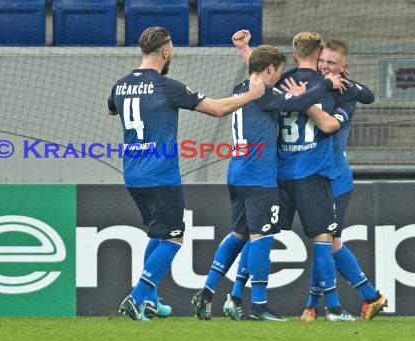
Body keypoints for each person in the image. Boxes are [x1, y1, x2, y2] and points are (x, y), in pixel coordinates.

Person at [108, 26, 266, 322]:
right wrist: (252, 94)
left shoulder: (120, 85)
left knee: (157, 233)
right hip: (161, 173)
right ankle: (137, 296)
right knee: (174, 238)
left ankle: (151, 302)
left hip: (132, 173)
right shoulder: (166, 86)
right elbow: (218, 109)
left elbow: (112, 110)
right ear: (166, 52)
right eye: (172, 50)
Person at [191, 45, 346, 321]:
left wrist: (245, 50)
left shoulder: (242, 86)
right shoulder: (263, 90)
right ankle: (259, 306)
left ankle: (206, 292)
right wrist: (326, 83)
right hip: (258, 176)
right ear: (271, 70)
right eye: (277, 71)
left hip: (236, 172)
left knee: (238, 234)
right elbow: (297, 103)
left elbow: (261, 68)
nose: (279, 78)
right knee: (261, 238)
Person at [291, 40, 388, 322]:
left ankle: (350, 301)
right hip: (316, 175)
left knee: (329, 244)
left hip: (335, 179)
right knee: (324, 242)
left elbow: (361, 99)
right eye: (322, 61)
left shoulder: (344, 94)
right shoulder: (316, 87)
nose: (323, 67)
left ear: (343, 68)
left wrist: (305, 101)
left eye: (331, 63)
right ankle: (321, 305)